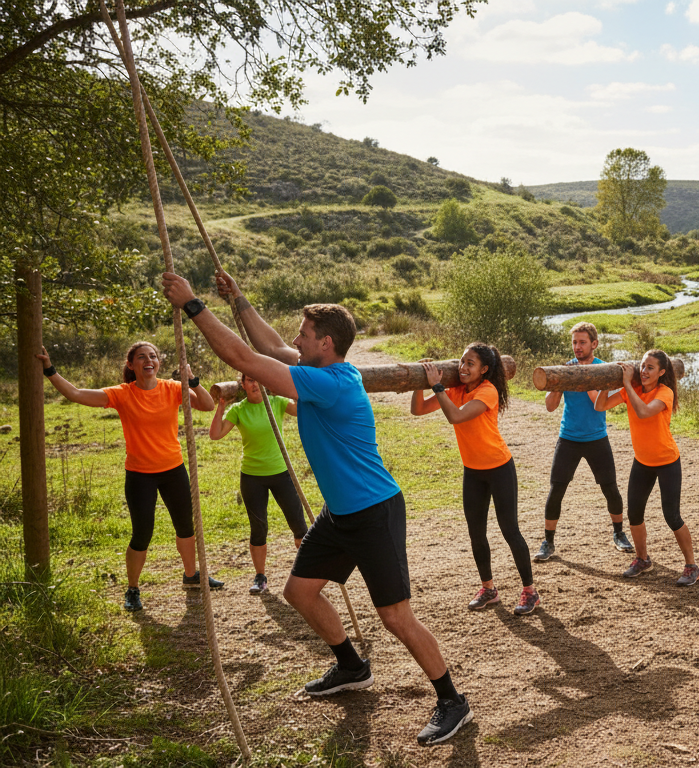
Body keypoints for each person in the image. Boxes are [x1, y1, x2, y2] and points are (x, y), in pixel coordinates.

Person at [162, 271, 471, 746]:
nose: (294, 341)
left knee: (394, 617)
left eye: (303, 335)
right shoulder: (323, 369)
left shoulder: (329, 384)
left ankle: (452, 699)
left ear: (324, 344)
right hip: (340, 514)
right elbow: (266, 344)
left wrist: (193, 304)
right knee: (300, 593)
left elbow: (245, 357)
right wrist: (239, 299)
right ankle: (351, 666)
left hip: (374, 511)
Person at [37, 342, 216, 611]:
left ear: (158, 363)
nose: (149, 360)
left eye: (153, 356)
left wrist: (192, 380)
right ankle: (133, 588)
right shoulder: (121, 394)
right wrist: (49, 370)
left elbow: (207, 404)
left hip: (173, 469)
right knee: (142, 534)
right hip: (140, 475)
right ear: (131, 365)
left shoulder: (172, 388)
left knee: (186, 527)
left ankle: (191, 576)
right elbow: (75, 393)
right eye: (142, 357)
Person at [411, 346, 539, 616]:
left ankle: (530, 591)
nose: (463, 367)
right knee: (476, 533)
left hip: (499, 468)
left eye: (471, 363)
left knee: (509, 530)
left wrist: (436, 386)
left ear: (484, 369)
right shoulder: (456, 390)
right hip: (473, 472)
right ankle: (489, 589)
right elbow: (418, 410)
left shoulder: (488, 391)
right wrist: (419, 383)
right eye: (461, 361)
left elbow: (455, 416)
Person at [595, 350, 699, 585]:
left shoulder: (665, 392)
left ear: (662, 372)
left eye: (650, 367)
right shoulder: (632, 389)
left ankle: (692, 566)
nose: (644, 371)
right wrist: (607, 383)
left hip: (667, 461)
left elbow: (643, 412)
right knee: (635, 514)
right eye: (642, 366)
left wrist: (625, 385)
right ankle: (643, 560)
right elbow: (599, 406)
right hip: (642, 461)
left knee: (672, 516)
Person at [533, 322, 632, 563]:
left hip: (597, 437)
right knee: (557, 488)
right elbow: (550, 406)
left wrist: (583, 377)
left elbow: (598, 401)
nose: (577, 347)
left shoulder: (604, 370)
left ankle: (619, 533)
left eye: (582, 342)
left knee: (610, 487)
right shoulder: (566, 369)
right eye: (574, 342)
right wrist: (562, 382)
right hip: (568, 438)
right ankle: (548, 542)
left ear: (594, 344)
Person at [208, 372, 306, 595]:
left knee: (299, 525)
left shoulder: (277, 402)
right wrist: (221, 407)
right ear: (242, 384)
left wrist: (292, 389)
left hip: (281, 474)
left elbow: (303, 411)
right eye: (250, 380)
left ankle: (307, 573)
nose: (255, 384)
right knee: (258, 529)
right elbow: (215, 434)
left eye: (259, 379)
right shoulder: (239, 410)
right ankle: (260, 577)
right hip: (252, 478)